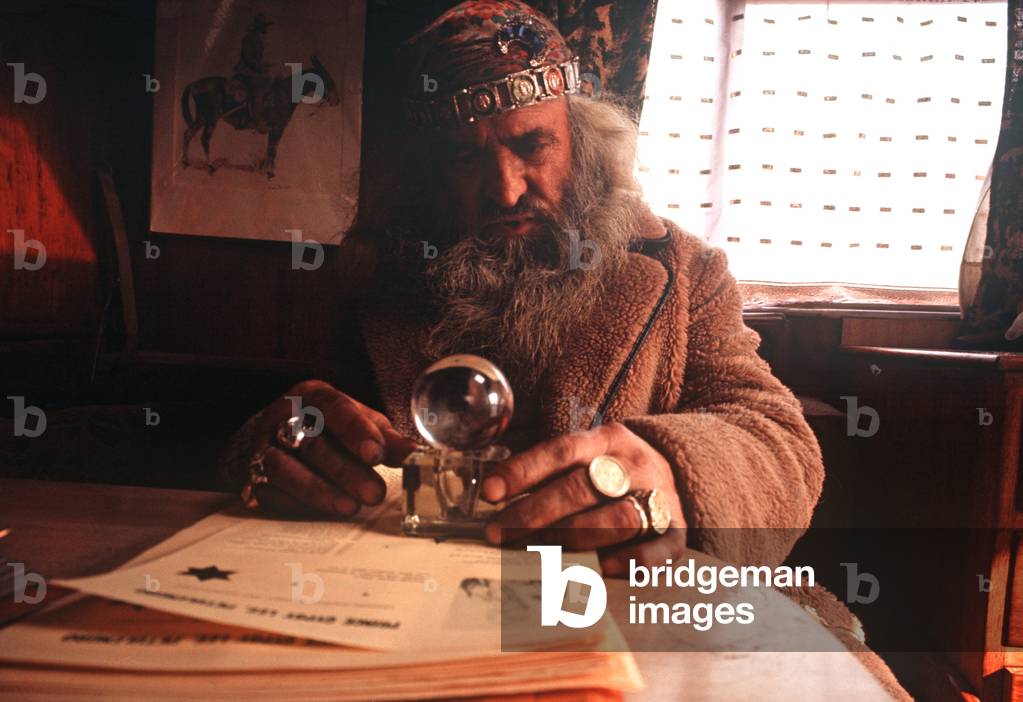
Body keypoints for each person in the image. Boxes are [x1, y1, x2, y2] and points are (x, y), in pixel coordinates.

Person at [219, 3, 908, 698]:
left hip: (643, 613)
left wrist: (670, 473)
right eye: (465, 157)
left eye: (530, 144)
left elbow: (778, 442)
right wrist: (274, 444)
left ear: (581, 139)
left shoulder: (685, 271)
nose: (505, 189)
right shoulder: (381, 276)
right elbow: (306, 429)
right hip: (413, 618)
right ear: (428, 173)